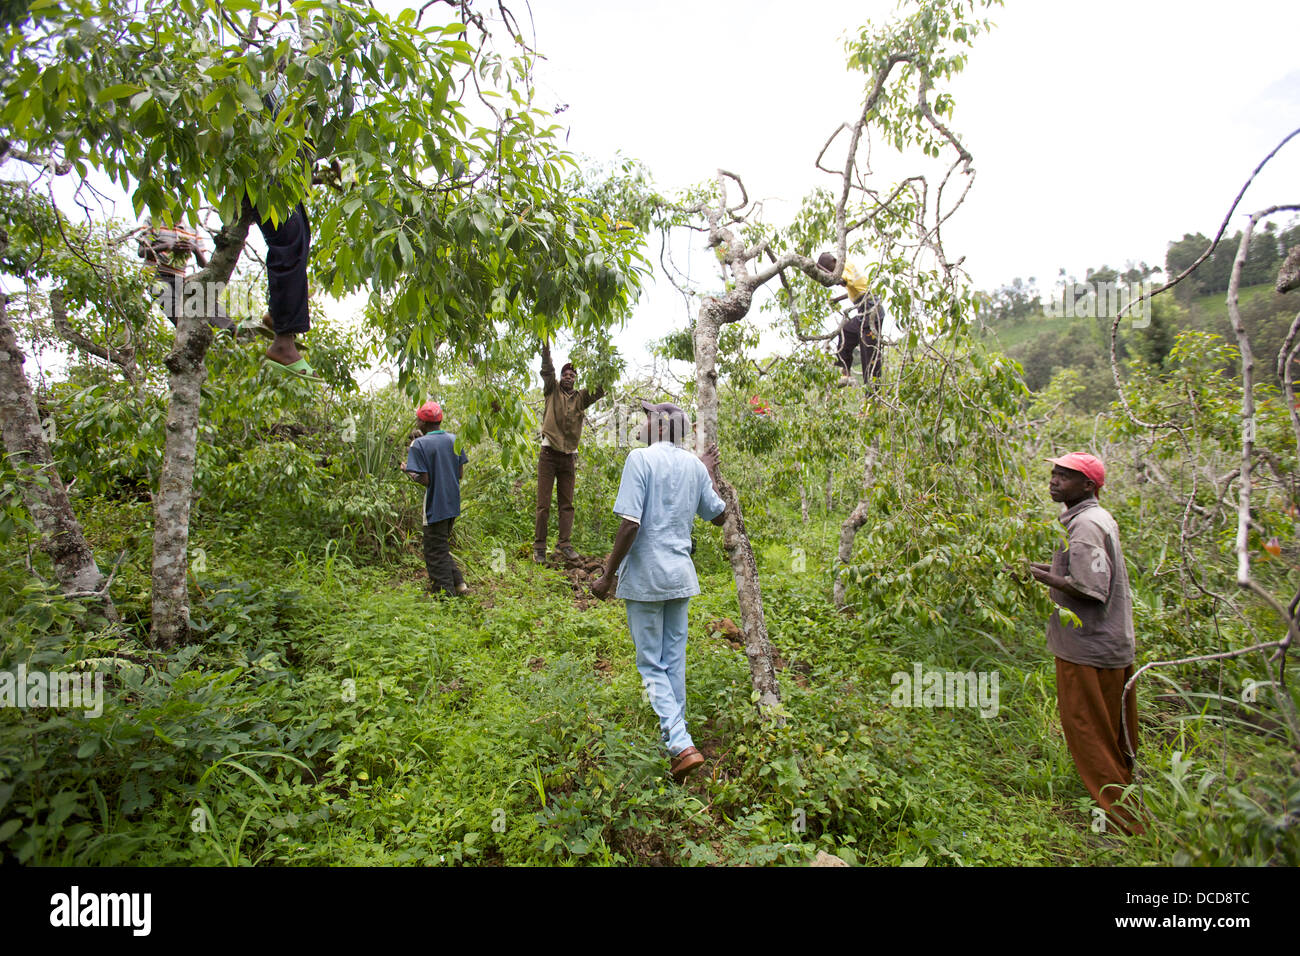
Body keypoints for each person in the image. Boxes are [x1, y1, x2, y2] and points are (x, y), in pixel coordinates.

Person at [591, 401, 727, 784]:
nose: (641, 423)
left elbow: (630, 524)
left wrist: (607, 575)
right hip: (680, 577)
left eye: (647, 418)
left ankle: (681, 744)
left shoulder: (640, 459)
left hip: (648, 578)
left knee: (651, 664)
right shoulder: (693, 466)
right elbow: (718, 516)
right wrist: (707, 474)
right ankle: (678, 740)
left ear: (662, 426)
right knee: (674, 660)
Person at [1029, 452, 1144, 835]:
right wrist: (1035, 569)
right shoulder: (1092, 518)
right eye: (1054, 473)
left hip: (1088, 649)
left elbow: (1089, 590)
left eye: (1065, 476)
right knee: (1113, 732)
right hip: (1110, 645)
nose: (1054, 480)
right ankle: (1127, 800)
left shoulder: (1086, 527)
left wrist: (1039, 577)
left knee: (1088, 731)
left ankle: (1125, 824)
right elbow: (1078, 573)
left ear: (1089, 486)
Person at [534, 340, 605, 564]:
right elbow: (547, 371)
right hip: (548, 455)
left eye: (572, 374)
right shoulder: (551, 390)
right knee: (543, 505)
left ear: (576, 379)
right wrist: (546, 351)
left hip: (569, 458)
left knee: (567, 504)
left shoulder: (581, 398)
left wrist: (603, 360)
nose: (568, 376)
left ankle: (564, 544)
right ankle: (539, 549)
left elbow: (600, 388)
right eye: (566, 373)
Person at [402, 400, 469, 597]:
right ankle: (459, 585)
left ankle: (445, 595)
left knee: (434, 551)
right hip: (452, 502)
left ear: (422, 423)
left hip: (434, 504)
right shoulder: (454, 440)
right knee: (440, 545)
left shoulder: (419, 444)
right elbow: (460, 474)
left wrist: (408, 471)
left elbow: (425, 479)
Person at [817, 252, 885, 387]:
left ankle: (873, 396)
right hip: (863, 311)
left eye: (830, 269)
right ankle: (845, 369)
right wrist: (837, 299)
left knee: (869, 356)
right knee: (846, 332)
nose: (832, 273)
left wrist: (823, 272)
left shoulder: (844, 266)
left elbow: (841, 281)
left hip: (872, 311)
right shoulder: (845, 267)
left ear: (834, 260)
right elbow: (855, 289)